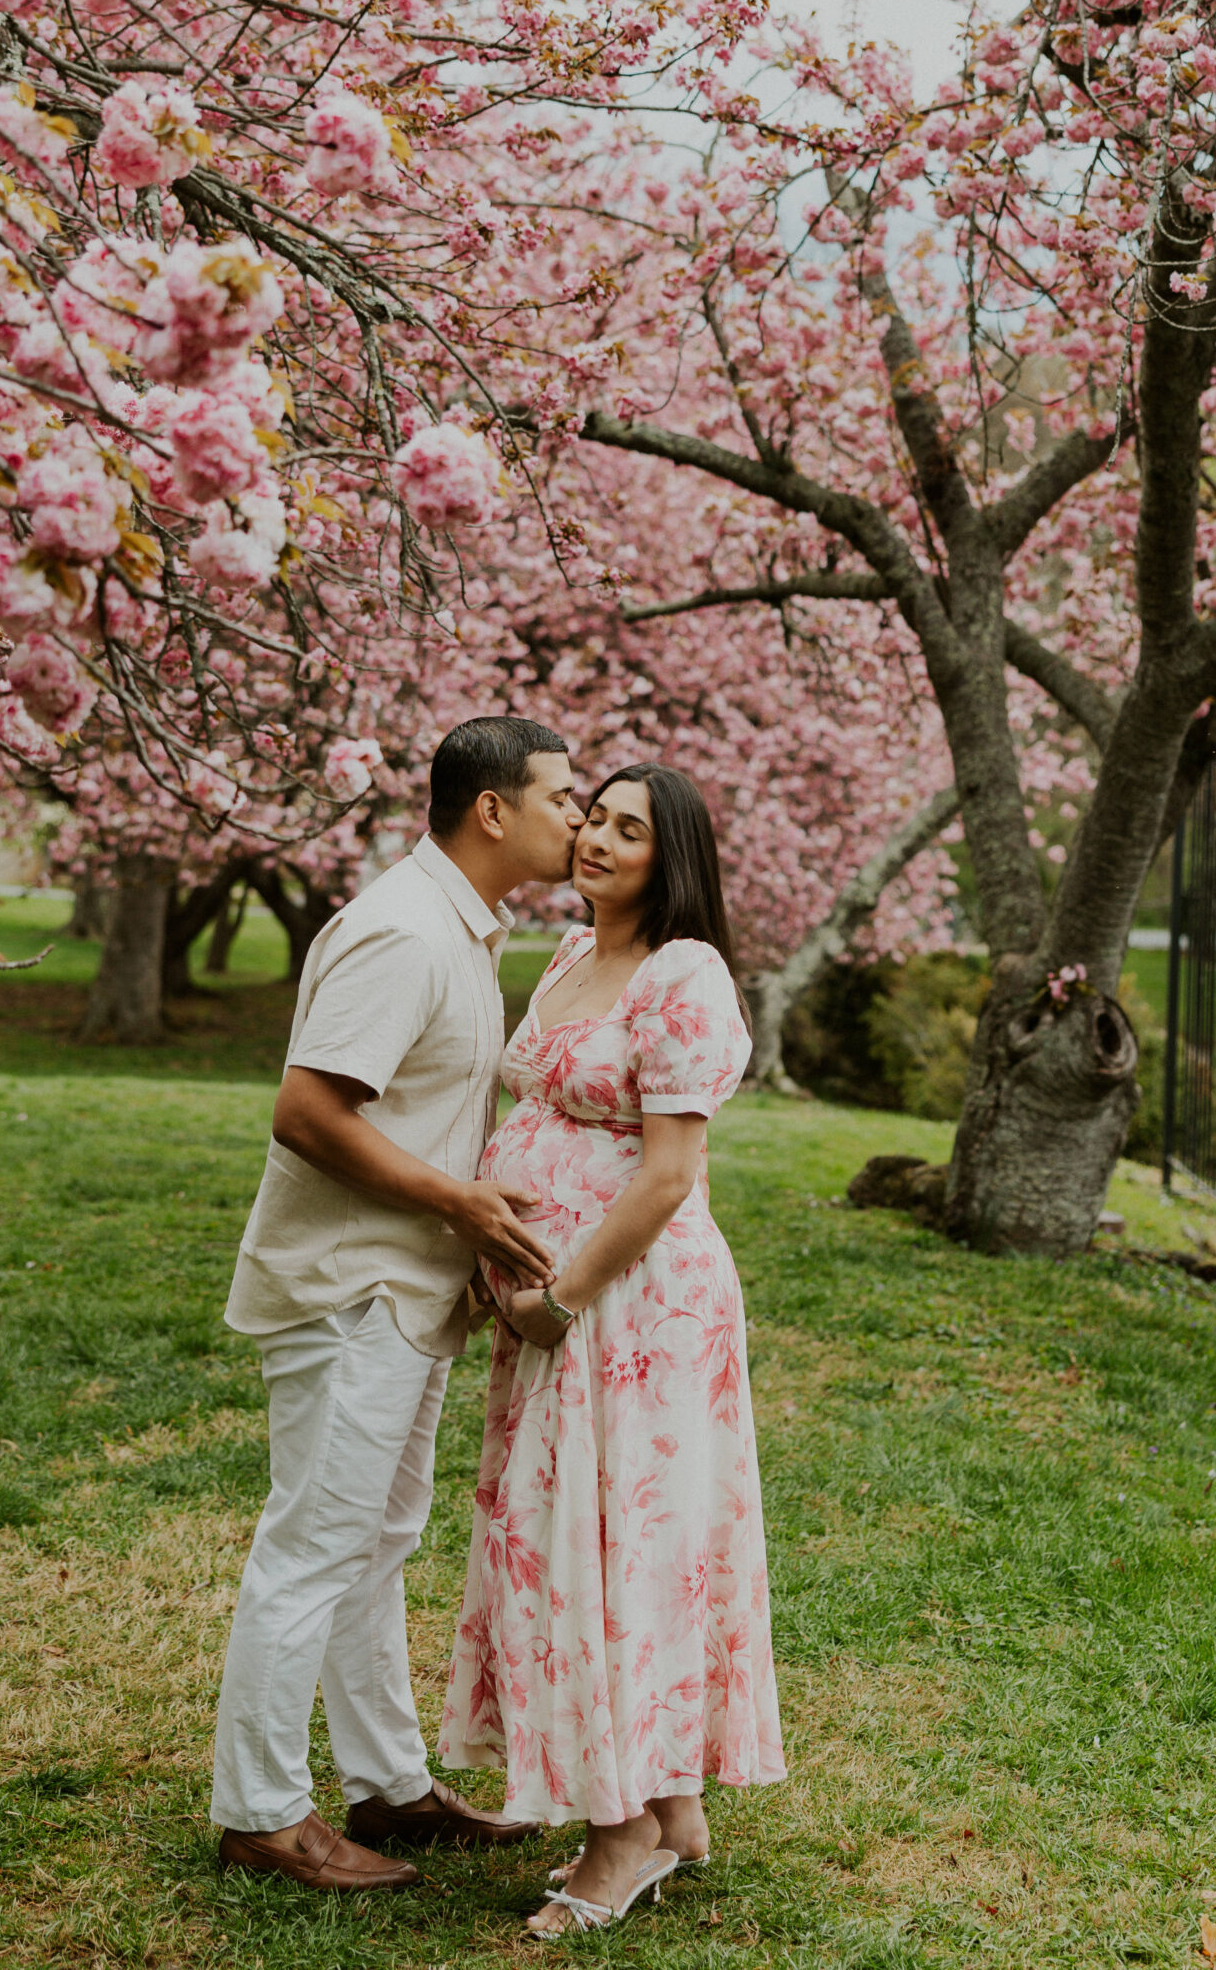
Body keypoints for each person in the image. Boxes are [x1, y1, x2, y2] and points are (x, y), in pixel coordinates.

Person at [211, 716, 586, 1894]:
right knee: (314, 1547)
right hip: (347, 1294)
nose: (576, 819)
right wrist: (466, 1208)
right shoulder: (402, 933)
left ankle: (391, 1788)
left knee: (374, 1548)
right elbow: (309, 1114)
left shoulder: (459, 930)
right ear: (493, 810)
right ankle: (263, 1813)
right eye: (563, 798)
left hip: (407, 1294)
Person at [438, 761, 786, 1938]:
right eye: (593, 816)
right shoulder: (568, 958)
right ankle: (674, 1804)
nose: (596, 838)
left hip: (630, 1312)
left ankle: (622, 1833)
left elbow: (671, 1172)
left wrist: (562, 1295)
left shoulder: (682, 974)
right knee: (584, 1538)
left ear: (670, 856)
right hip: (561, 1310)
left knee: (623, 1546)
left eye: (629, 829)